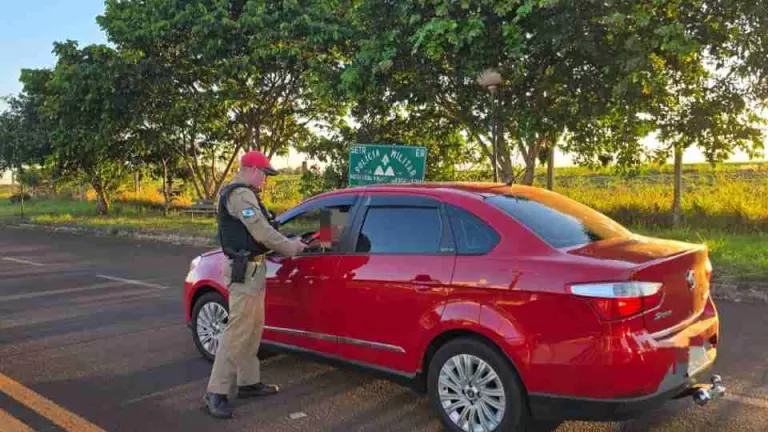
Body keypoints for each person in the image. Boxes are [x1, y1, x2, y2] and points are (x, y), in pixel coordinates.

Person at [203, 150, 307, 419]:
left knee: (252, 329)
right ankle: (216, 391)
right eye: (265, 174)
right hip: (244, 270)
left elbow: (264, 230)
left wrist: (288, 239)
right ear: (251, 170)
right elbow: (261, 231)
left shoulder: (247, 194)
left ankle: (248, 382)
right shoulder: (240, 194)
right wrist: (291, 247)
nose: (266, 180)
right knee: (238, 331)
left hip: (254, 269)